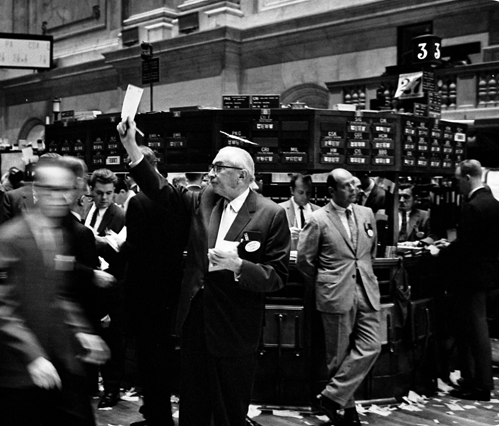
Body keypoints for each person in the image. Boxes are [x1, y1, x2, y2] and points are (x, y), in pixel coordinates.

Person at [117, 117, 290, 426]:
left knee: (228, 413)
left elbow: (277, 276)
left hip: (235, 328)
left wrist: (239, 266)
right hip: (196, 324)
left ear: (242, 177)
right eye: (211, 167)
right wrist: (131, 146)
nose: (210, 175)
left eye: (218, 168)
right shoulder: (204, 200)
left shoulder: (271, 214)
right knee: (192, 411)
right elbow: (161, 190)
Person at [0, 158, 112, 426]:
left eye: (66, 189)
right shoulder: (8, 238)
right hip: (20, 368)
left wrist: (82, 332)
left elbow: (59, 295)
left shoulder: (61, 236)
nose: (60, 197)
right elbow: (2, 307)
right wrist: (33, 356)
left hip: (60, 358)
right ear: (36, 190)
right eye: (51, 190)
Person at [296, 168, 381, 426]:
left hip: (366, 289)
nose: (354, 189)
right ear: (332, 191)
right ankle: (348, 409)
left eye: (355, 184)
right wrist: (328, 280)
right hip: (335, 292)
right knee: (339, 355)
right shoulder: (318, 219)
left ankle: (332, 397)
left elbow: (370, 251)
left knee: (372, 345)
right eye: (347, 186)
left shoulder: (366, 214)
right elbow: (305, 261)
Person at [121, 146, 190, 426]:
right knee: (163, 357)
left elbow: (134, 251)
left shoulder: (138, 202)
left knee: (148, 360)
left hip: (144, 292)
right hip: (171, 289)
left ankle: (156, 417)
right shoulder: (178, 199)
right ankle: (162, 416)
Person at [433, 159, 499, 402]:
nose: (456, 185)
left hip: (469, 278)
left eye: (456, 179)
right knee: (476, 330)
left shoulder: (472, 207)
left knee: (474, 331)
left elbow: (465, 247)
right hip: (486, 274)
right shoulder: (494, 204)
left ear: (466, 177)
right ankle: (473, 381)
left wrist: (441, 251)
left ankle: (481, 385)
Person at [85, 168, 127, 409]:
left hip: (112, 285)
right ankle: (91, 384)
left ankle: (112, 390)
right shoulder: (87, 210)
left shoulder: (120, 215)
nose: (104, 198)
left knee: (112, 341)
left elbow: (122, 254)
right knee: (92, 334)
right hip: (92, 284)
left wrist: (101, 244)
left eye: (109, 193)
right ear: (91, 191)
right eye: (99, 193)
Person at [278, 173, 320, 250]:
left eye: (308, 193)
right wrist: (286, 235)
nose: (305, 197)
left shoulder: (319, 212)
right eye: (301, 192)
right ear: (292, 191)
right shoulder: (279, 209)